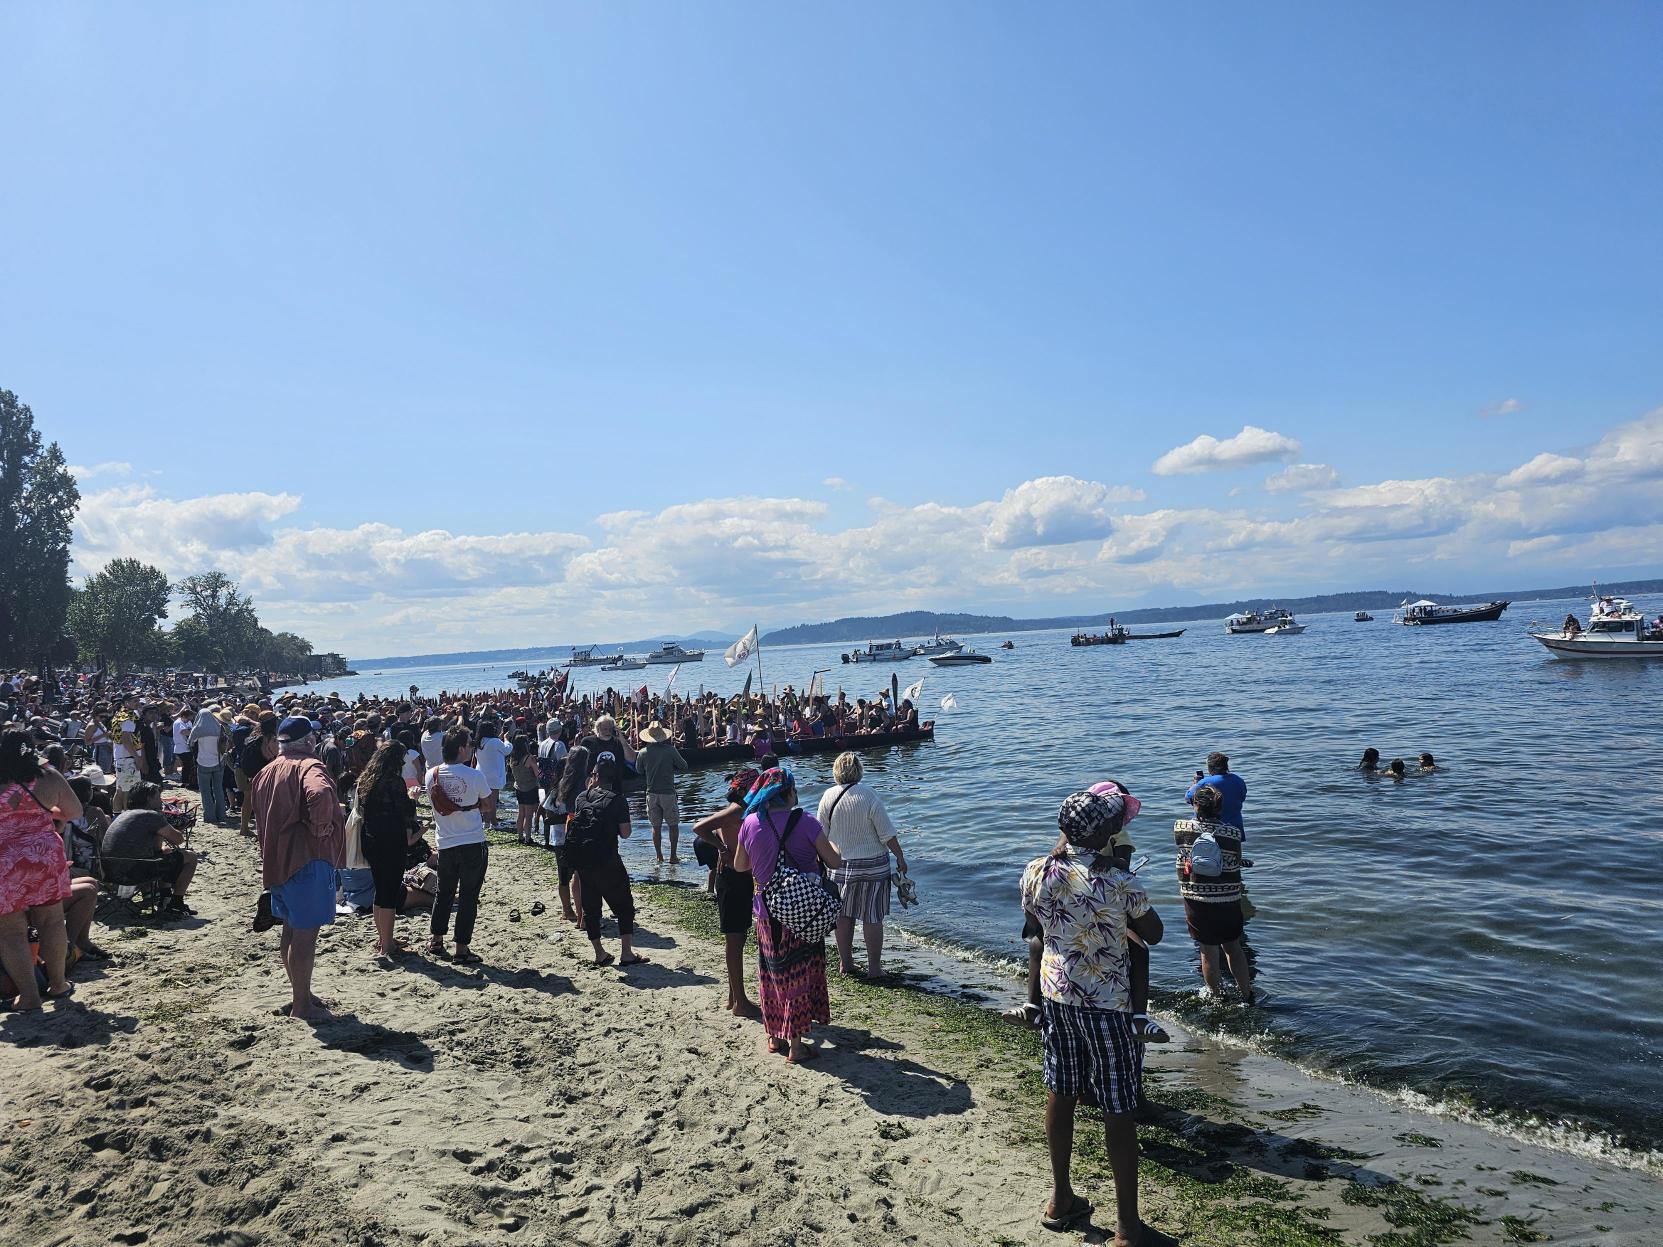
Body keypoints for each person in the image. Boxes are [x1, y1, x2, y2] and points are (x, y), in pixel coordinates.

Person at [1021, 789, 1164, 1241]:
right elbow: (1154, 933)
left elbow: (1035, 924)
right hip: (1109, 1005)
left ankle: (1061, 1198)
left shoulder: (1036, 870)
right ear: (1105, 833)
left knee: (1061, 1092)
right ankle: (1126, 1226)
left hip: (1056, 997)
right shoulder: (1119, 881)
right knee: (1118, 1107)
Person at [734, 768, 843, 1063]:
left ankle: (775, 1035)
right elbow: (834, 861)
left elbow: (741, 866)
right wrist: (832, 846)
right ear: (790, 793)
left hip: (769, 912)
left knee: (773, 974)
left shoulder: (750, 823)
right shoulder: (806, 822)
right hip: (805, 910)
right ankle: (796, 1046)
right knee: (800, 974)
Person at [251, 716, 347, 1021]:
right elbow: (318, 794)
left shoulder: (265, 772)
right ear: (308, 742)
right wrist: (322, 828)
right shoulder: (310, 766)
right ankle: (301, 1007)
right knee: (306, 935)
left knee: (291, 931)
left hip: (278, 861)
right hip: (307, 859)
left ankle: (301, 994)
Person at [0, 729, 82, 1011]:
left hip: (4, 858)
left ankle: (30, 996)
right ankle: (58, 984)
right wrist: (44, 813)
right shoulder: (47, 776)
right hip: (43, 854)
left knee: (10, 931)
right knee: (51, 921)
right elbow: (74, 811)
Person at [817, 752, 907, 979]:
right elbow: (887, 834)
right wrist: (900, 857)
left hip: (839, 865)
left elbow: (821, 834)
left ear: (836, 771)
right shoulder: (869, 795)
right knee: (872, 916)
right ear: (859, 770)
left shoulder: (828, 796)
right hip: (873, 865)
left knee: (844, 916)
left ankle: (846, 963)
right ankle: (874, 968)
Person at [564, 753, 647, 967]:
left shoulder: (581, 797)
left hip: (584, 861)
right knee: (624, 906)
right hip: (608, 860)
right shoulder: (618, 801)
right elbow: (626, 833)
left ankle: (599, 953)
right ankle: (626, 953)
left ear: (595, 775)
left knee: (591, 909)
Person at [692, 766, 760, 1017]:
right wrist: (721, 848)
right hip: (732, 878)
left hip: (737, 878)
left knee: (738, 938)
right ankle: (740, 1002)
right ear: (745, 789)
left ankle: (734, 996)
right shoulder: (738, 810)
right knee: (735, 939)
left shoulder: (744, 809)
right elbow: (699, 827)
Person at [1173, 784, 1251, 1004]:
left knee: (1208, 951)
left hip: (1196, 899)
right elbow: (1235, 860)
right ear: (1220, 808)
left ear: (1196, 805)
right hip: (1227, 899)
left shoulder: (1180, 828)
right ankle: (1246, 994)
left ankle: (1216, 998)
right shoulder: (1232, 833)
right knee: (1234, 948)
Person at [425, 727, 490, 964]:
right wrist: (471, 806)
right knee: (469, 896)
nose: (472, 748)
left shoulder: (431, 774)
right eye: (470, 744)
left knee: (444, 893)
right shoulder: (474, 775)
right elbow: (488, 805)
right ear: (461, 748)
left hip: (446, 841)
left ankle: (436, 940)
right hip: (472, 840)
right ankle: (461, 948)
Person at [357, 741, 420, 962]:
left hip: (371, 837)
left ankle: (383, 938)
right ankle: (387, 944)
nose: (403, 762)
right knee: (390, 892)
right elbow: (405, 811)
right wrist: (413, 798)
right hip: (390, 839)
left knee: (380, 887)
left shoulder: (366, 779)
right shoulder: (395, 782)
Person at [100, 782, 198, 915]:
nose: (160, 800)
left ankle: (165, 897)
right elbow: (178, 840)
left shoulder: (124, 814)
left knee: (163, 855)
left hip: (109, 872)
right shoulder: (151, 816)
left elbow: (151, 848)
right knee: (190, 857)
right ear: (148, 799)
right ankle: (176, 902)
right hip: (132, 874)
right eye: (158, 797)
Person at [636, 721, 687, 864]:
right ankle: (673, 856)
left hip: (651, 793)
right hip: (668, 793)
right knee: (673, 824)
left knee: (655, 826)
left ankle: (659, 856)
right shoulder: (670, 750)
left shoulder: (643, 752)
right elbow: (684, 766)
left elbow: (639, 770)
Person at [1185, 751, 1246, 832]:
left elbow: (1188, 798)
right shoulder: (1239, 780)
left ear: (1210, 767)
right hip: (1235, 828)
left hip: (1212, 830)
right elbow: (1242, 798)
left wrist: (1195, 784)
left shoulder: (1204, 782)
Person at [188, 704, 227, 825]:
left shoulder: (198, 729)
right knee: (218, 789)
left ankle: (210, 816)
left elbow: (190, 743)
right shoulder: (219, 727)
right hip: (218, 761)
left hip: (203, 762)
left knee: (205, 791)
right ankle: (221, 814)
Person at [474, 718, 512, 829]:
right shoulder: (495, 742)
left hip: (481, 774)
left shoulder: (479, 742)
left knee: (484, 801)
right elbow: (507, 750)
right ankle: (494, 823)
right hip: (493, 776)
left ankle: (486, 823)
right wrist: (506, 739)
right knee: (492, 802)